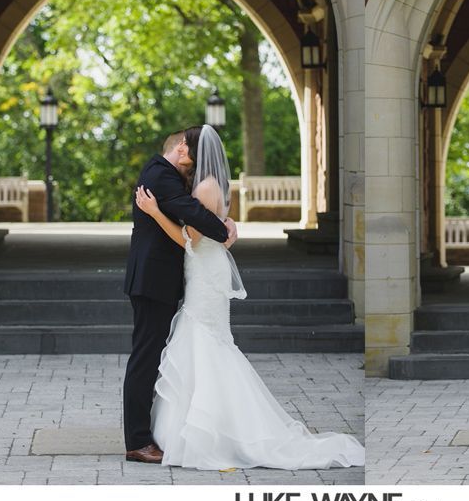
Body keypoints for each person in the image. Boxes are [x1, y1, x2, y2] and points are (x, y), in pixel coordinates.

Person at [135, 124, 364, 470]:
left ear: (194, 153)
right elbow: (207, 225)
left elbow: (190, 239)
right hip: (201, 272)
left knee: (205, 344)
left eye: (190, 159)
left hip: (203, 273)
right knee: (204, 344)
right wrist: (225, 224)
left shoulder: (204, 187)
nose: (186, 165)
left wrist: (156, 213)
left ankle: (205, 431)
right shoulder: (204, 184)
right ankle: (194, 428)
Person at [122, 129, 237, 464]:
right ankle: (138, 442)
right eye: (193, 160)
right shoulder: (159, 175)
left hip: (165, 279)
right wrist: (222, 228)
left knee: (153, 355)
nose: (195, 168)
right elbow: (194, 214)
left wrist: (225, 221)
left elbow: (196, 214)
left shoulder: (170, 176)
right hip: (152, 280)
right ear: (182, 150)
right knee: (145, 357)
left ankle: (153, 434)